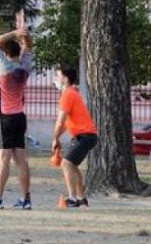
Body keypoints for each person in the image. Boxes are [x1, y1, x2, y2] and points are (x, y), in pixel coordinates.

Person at [0, 29, 33, 210]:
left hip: (4, 118)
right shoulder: (25, 67)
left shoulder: (4, 67)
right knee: (21, 160)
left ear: (5, 52)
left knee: (3, 159)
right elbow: (29, 46)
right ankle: (25, 200)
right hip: (19, 117)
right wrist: (24, 35)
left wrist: (15, 32)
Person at [51, 66, 98, 208]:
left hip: (85, 136)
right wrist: (58, 136)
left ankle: (72, 199)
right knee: (72, 166)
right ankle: (81, 198)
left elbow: (60, 123)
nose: (56, 79)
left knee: (66, 163)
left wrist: (56, 138)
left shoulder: (68, 95)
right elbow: (66, 124)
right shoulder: (71, 94)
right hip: (85, 136)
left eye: (57, 76)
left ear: (65, 79)